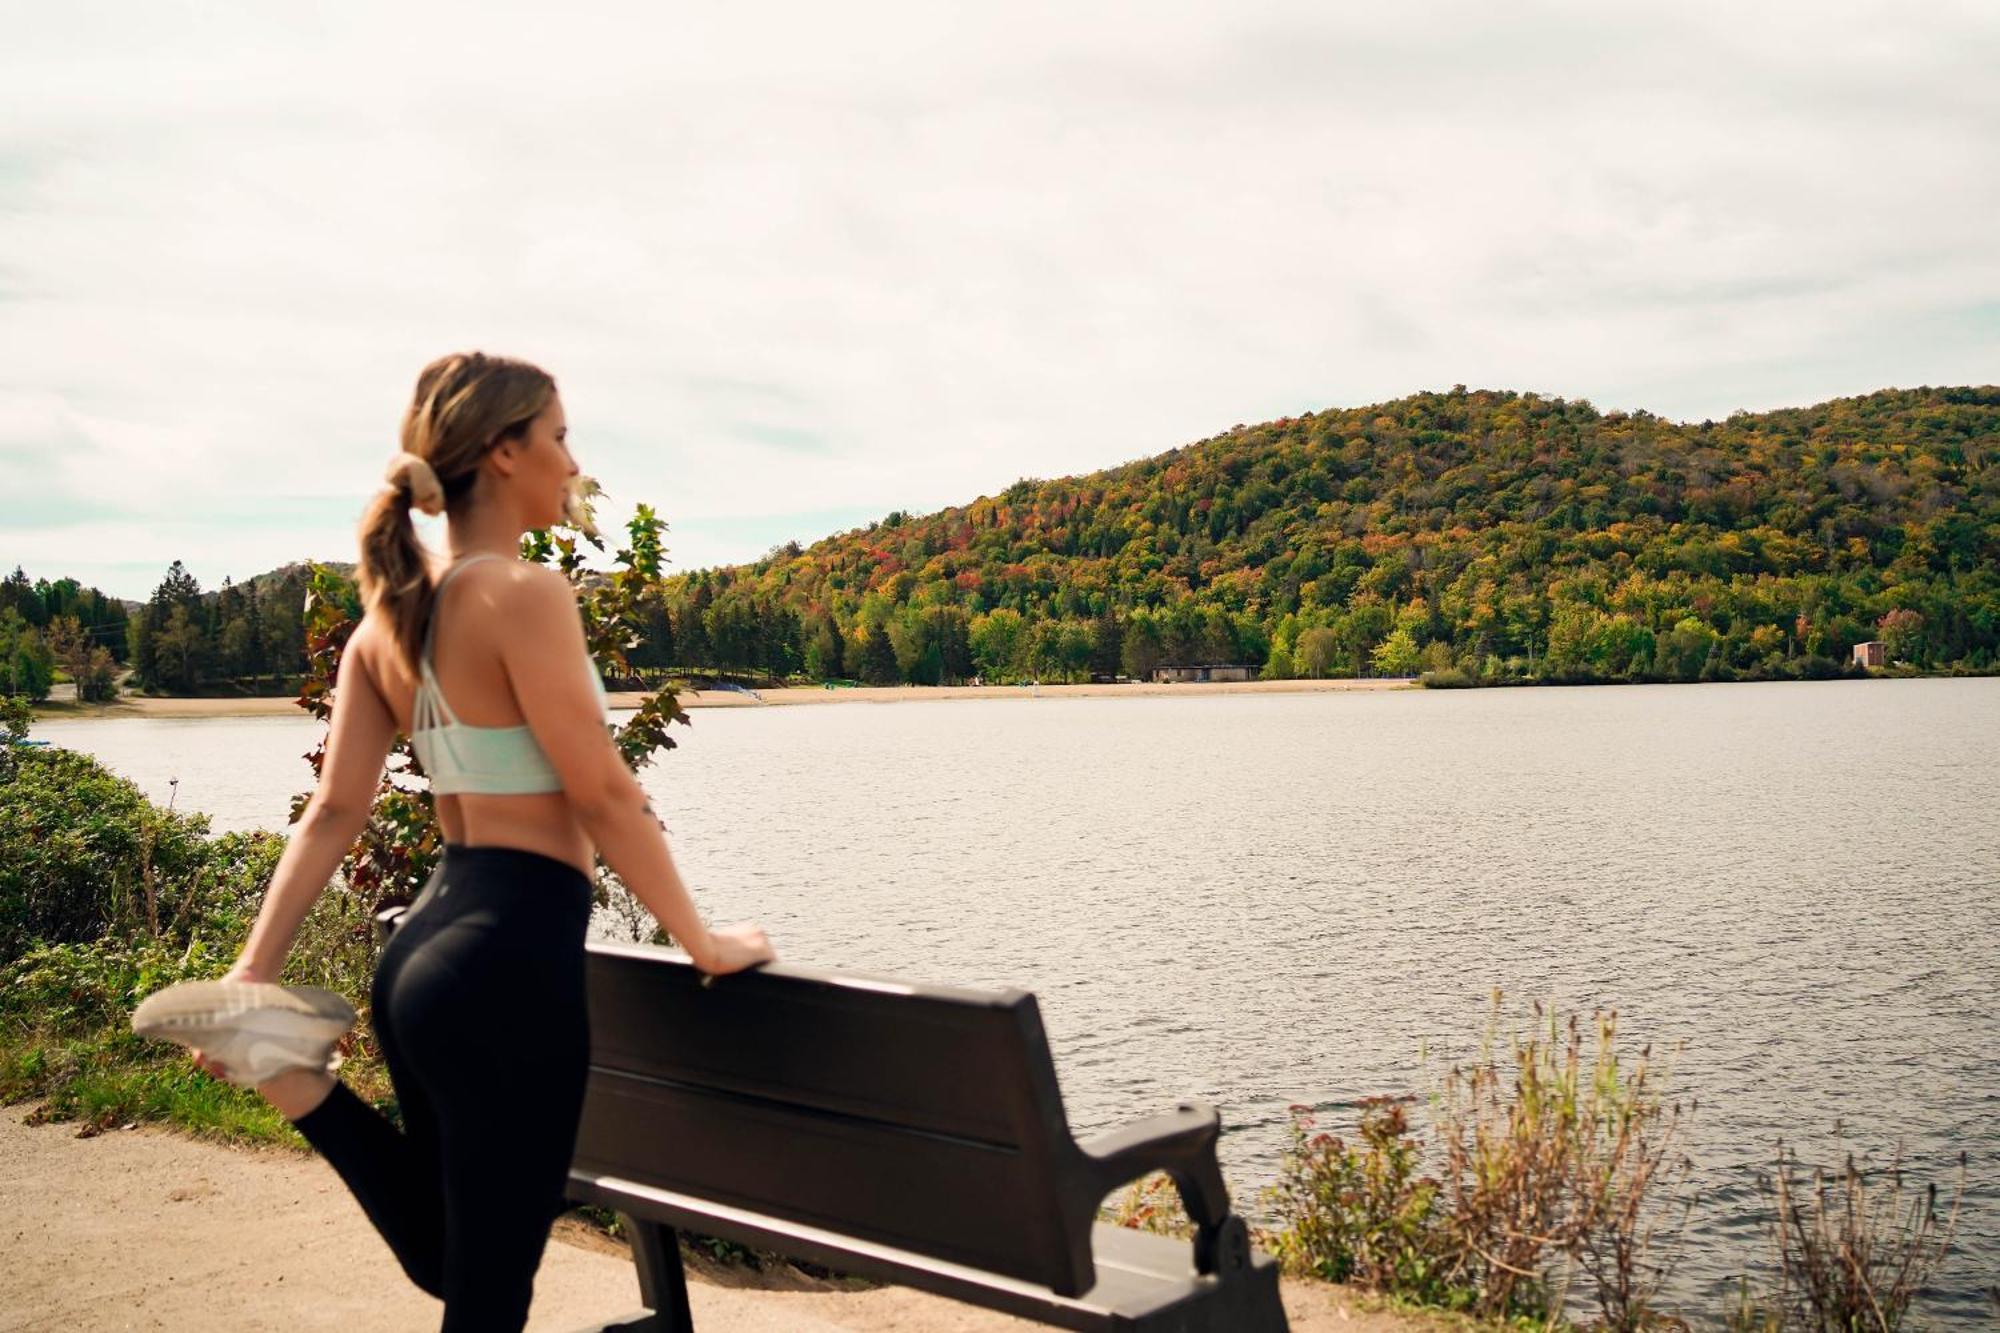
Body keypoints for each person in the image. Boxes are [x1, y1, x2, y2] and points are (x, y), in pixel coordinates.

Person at [130, 351, 775, 1330]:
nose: (571, 461)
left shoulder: (389, 624)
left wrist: (255, 966)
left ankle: (288, 1068)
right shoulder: (522, 593)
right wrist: (701, 940)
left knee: (452, 1258)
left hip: (425, 952)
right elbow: (600, 788)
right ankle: (281, 1061)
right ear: (504, 451)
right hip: (508, 959)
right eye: (558, 437)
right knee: (483, 1296)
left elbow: (333, 814)